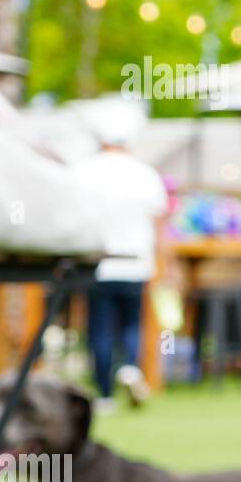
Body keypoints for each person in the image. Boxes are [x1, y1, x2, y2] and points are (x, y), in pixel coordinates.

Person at [72, 130, 168, 413]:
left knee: (100, 328)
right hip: (137, 262)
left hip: (97, 263)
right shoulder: (145, 174)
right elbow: (159, 221)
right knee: (131, 324)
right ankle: (128, 368)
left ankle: (104, 394)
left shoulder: (84, 171)